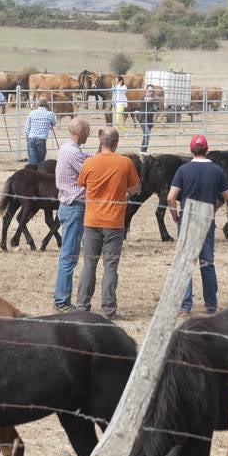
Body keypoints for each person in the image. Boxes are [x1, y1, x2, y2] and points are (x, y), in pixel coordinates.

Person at [73, 127, 139, 320]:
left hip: (92, 220)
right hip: (114, 221)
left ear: (101, 141)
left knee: (89, 264)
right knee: (110, 266)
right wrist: (124, 193)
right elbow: (135, 188)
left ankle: (82, 305)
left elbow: (82, 184)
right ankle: (109, 309)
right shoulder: (125, 163)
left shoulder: (89, 162)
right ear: (116, 143)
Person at [167, 134, 228, 315]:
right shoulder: (217, 170)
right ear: (207, 149)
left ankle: (185, 305)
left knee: (186, 263)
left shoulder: (183, 170)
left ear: (191, 150)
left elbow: (171, 197)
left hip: (187, 219)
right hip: (207, 220)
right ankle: (211, 305)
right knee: (207, 263)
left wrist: (175, 216)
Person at [53, 117, 91, 312]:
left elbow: (85, 158)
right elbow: (89, 172)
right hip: (75, 206)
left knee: (68, 254)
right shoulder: (72, 152)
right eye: (88, 131)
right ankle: (62, 300)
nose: (89, 134)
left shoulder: (68, 148)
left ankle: (62, 298)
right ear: (80, 132)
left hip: (68, 205)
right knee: (68, 255)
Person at [24, 96, 56, 165]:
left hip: (31, 138)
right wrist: (50, 109)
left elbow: (27, 128)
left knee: (32, 162)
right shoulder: (50, 114)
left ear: (38, 103)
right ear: (47, 104)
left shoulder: (32, 113)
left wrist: (27, 137)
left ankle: (33, 173)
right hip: (42, 139)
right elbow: (53, 123)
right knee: (41, 162)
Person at [139, 84, 159, 154]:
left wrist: (156, 104)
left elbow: (156, 110)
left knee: (147, 135)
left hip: (150, 119)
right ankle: (142, 151)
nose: (151, 93)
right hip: (143, 118)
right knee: (146, 133)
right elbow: (148, 100)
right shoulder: (143, 98)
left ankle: (144, 150)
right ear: (146, 91)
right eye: (149, 91)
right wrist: (156, 99)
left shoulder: (154, 100)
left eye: (152, 91)